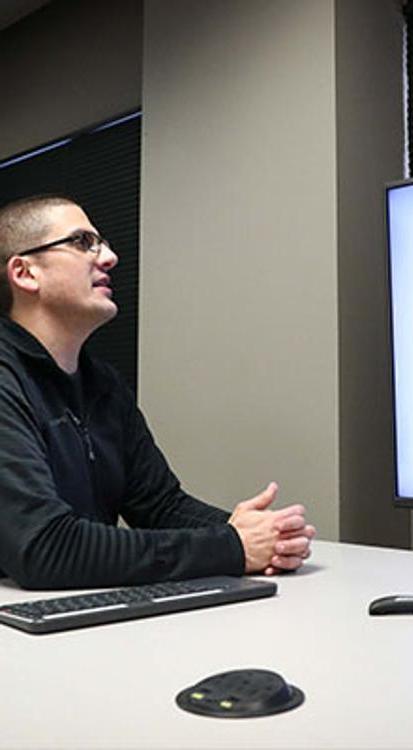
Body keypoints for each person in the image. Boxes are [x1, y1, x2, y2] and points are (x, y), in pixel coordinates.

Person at [0, 195, 315, 589]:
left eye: (103, 242)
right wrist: (231, 546)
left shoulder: (102, 384)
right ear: (26, 273)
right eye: (83, 242)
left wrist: (263, 536)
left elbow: (161, 506)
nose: (109, 257)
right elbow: (46, 548)